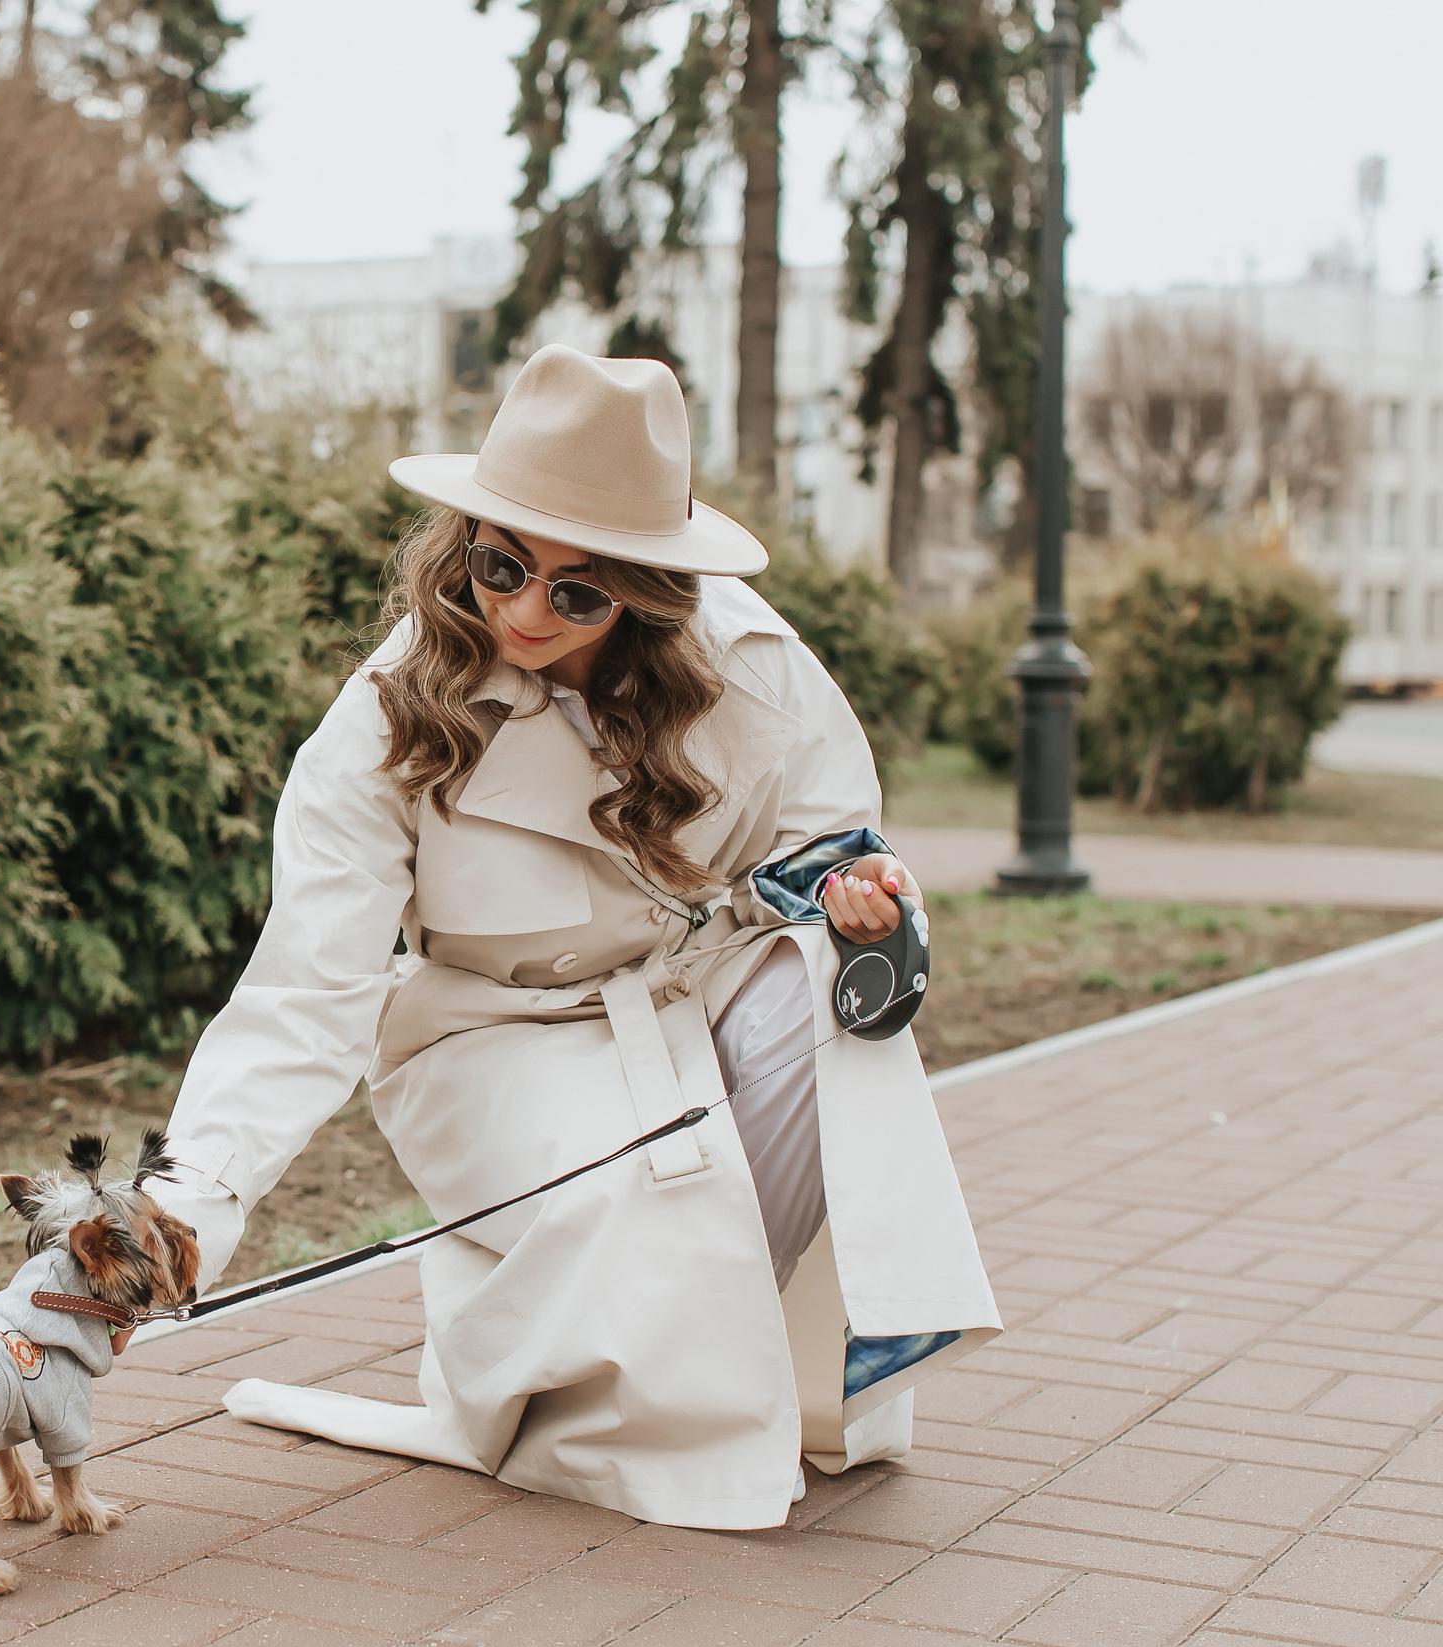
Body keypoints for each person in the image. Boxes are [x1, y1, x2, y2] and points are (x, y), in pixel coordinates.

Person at [144, 346, 999, 1531]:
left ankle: (745, 1386)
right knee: (654, 1190)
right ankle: (592, 1412)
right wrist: (176, 1218)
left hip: (685, 1002)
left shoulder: (750, 665)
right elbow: (304, 991)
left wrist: (860, 906)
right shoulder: (386, 713)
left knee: (830, 1036)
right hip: (484, 1039)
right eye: (500, 566)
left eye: (579, 591)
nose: (524, 613)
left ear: (648, 590)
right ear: (464, 543)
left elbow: (835, 852)